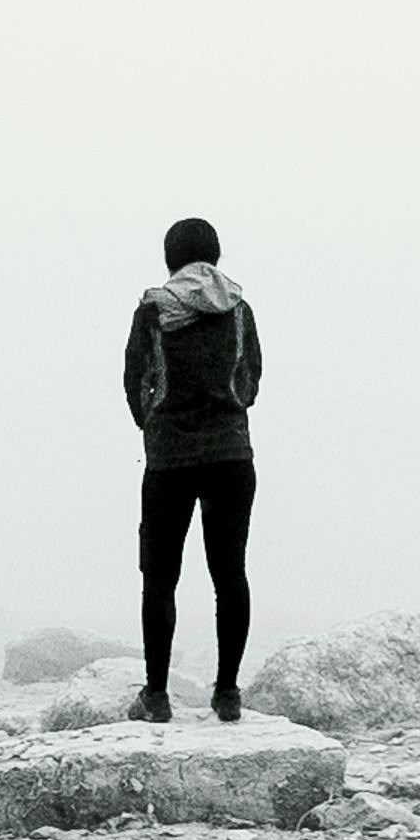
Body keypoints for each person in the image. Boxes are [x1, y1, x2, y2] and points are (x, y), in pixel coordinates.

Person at [122, 216, 261, 721]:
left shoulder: (153, 311)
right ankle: (227, 693)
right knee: (230, 574)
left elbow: (133, 379)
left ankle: (156, 697)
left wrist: (155, 424)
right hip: (232, 458)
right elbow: (250, 381)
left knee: (159, 579)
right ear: (216, 254)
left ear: (169, 257)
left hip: (168, 462)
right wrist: (226, 413)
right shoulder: (239, 310)